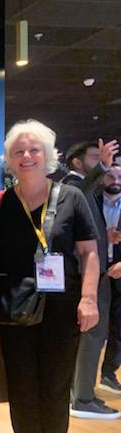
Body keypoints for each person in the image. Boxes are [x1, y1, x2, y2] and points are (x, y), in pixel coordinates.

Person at [0, 120, 100, 433]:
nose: (27, 156)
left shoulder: (72, 197)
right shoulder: (3, 203)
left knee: (56, 380)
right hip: (16, 308)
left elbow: (89, 253)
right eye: (19, 151)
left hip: (62, 306)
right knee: (22, 381)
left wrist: (89, 299)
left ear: (48, 155)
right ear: (10, 160)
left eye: (34, 149)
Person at [62, 139, 121, 419]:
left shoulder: (85, 191)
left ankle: (81, 393)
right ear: (77, 162)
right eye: (95, 157)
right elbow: (79, 191)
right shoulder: (73, 185)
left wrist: (104, 237)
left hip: (93, 273)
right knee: (93, 336)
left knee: (92, 337)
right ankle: (83, 397)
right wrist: (102, 167)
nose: (103, 160)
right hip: (89, 276)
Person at [99, 163, 121, 394]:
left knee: (119, 327)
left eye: (119, 176)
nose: (115, 180)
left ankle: (108, 373)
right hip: (93, 271)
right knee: (90, 329)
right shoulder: (91, 203)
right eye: (110, 176)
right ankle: (79, 381)